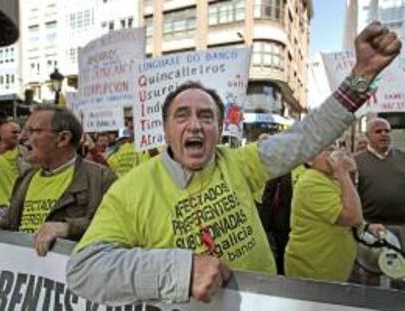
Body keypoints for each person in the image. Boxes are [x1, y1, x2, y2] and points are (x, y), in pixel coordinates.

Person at [66, 22, 401, 304]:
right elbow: (84, 269)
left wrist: (362, 74)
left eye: (206, 116)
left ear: (219, 128)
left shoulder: (239, 163)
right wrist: (180, 271)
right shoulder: (130, 190)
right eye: (182, 115)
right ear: (165, 129)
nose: (195, 125)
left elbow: (308, 135)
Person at [0, 105, 116, 256]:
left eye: (33, 131)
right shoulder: (25, 178)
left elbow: (116, 226)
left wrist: (67, 228)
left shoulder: (101, 178)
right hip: (26, 273)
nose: (21, 138)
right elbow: (11, 224)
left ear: (62, 138)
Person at [285, 148, 363, 281]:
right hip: (315, 270)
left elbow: (346, 204)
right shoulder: (311, 182)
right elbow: (353, 217)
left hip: (331, 267)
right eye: (325, 150)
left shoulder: (328, 178)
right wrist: (343, 173)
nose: (332, 155)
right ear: (309, 160)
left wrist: (367, 226)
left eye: (333, 149)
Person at [355, 117, 405, 249]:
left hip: (401, 226)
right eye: (378, 131)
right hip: (371, 227)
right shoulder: (355, 162)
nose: (383, 134)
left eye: (386, 131)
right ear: (368, 136)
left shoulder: (402, 157)